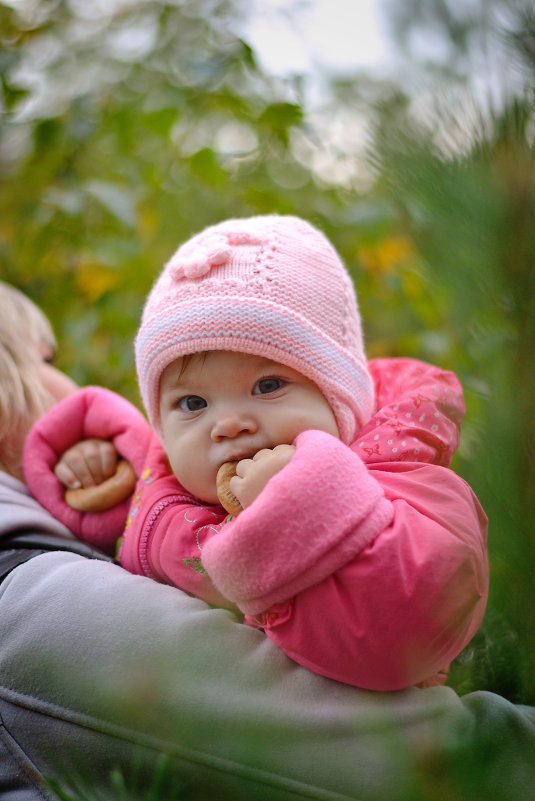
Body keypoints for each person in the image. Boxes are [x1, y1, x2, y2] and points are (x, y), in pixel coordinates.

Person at [2, 281, 535, 801]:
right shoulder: (46, 614)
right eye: (47, 359)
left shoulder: (59, 571)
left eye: (267, 385)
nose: (229, 425)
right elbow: (411, 759)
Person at [24, 215, 488, 692]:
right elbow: (135, 523)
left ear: (340, 398)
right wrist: (97, 465)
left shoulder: (400, 480)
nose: (228, 424)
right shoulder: (171, 488)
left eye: (267, 385)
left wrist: (303, 501)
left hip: (360, 747)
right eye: (192, 403)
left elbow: (406, 634)